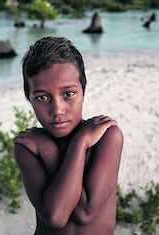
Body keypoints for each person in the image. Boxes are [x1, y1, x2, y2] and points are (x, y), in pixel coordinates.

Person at [13, 36, 124, 235]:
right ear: (28, 98)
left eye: (68, 94)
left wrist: (75, 144)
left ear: (83, 91)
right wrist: (64, 147)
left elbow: (84, 214)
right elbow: (55, 216)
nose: (57, 110)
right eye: (42, 97)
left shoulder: (107, 136)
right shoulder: (27, 146)